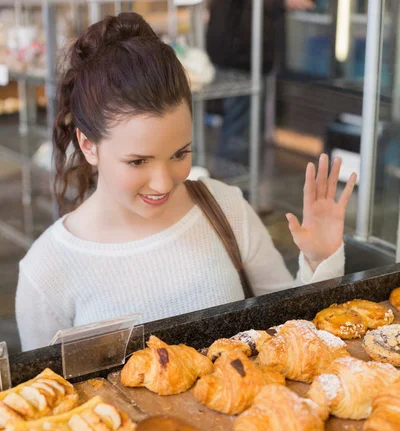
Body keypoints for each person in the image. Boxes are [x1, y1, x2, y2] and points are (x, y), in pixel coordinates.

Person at [16, 12, 357, 352]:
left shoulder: (225, 209)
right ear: (88, 145)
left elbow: (291, 333)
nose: (163, 183)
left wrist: (318, 260)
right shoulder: (46, 272)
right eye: (138, 161)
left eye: (180, 154)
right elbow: (47, 397)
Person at [206, 0, 315, 161]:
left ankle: (234, 178)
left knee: (242, 129)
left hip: (240, 55)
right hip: (241, 57)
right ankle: (233, 180)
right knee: (240, 132)